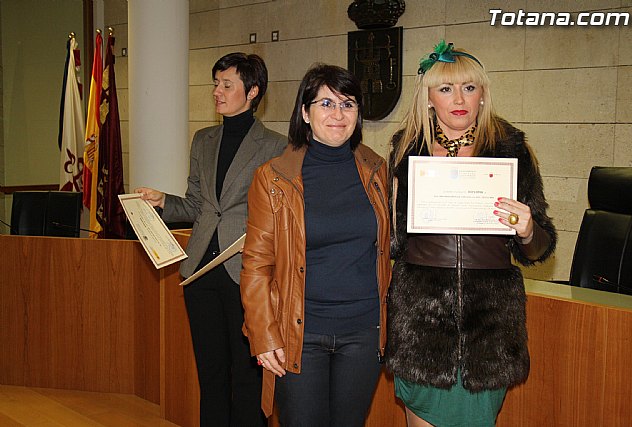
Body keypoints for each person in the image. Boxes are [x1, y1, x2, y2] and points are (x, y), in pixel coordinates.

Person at [385, 41, 557, 427]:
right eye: (446, 88)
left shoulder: (511, 149)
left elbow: (539, 247)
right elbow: (393, 243)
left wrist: (528, 230)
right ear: (429, 98)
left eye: (469, 87)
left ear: (482, 94)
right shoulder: (407, 150)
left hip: (488, 328)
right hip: (422, 325)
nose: (459, 99)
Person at [135, 52, 287, 427]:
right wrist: (163, 201)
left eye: (227, 85)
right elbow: (197, 205)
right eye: (216, 84)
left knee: (248, 376)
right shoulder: (203, 140)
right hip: (200, 273)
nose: (217, 91)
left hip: (247, 274)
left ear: (253, 91)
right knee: (211, 373)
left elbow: (283, 214)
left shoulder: (277, 146)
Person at [239, 64, 392, 427]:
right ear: (305, 113)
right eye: (326, 103)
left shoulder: (376, 169)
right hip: (299, 333)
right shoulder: (273, 177)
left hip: (363, 331)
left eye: (348, 104)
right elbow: (256, 264)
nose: (338, 114)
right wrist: (262, 334)